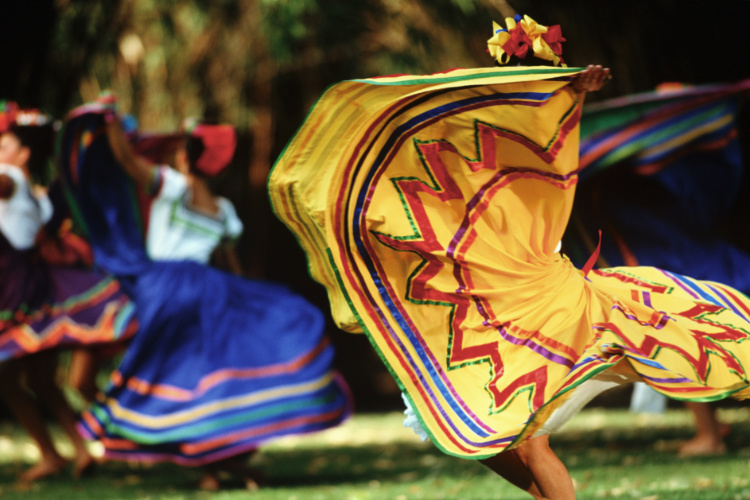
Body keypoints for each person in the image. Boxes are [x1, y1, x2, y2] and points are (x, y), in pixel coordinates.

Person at [269, 13, 750, 499]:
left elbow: (545, 126)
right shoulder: (473, 139)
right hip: (478, 307)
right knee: (475, 435)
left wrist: (571, 89)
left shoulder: (541, 151)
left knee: (529, 444)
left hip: (534, 311)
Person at [58, 97, 353, 490]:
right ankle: (219, 464)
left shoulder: (173, 186)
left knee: (173, 373)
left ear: (184, 159)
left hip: (165, 286)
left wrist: (110, 122)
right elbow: (232, 267)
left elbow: (127, 164)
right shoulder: (223, 209)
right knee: (211, 378)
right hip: (212, 291)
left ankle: (178, 451)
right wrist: (251, 302)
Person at [566, 79, 750, 456]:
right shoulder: (635, 174)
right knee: (688, 345)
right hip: (691, 267)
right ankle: (711, 432)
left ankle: (710, 436)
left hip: (695, 270)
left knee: (689, 345)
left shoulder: (667, 174)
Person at [0, 104, 138, 482]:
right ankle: (73, 451)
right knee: (38, 380)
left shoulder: (8, 177)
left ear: (23, 154)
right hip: (33, 285)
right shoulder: (37, 193)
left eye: (3, 145)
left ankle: (53, 452)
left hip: (14, 289)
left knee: (10, 379)